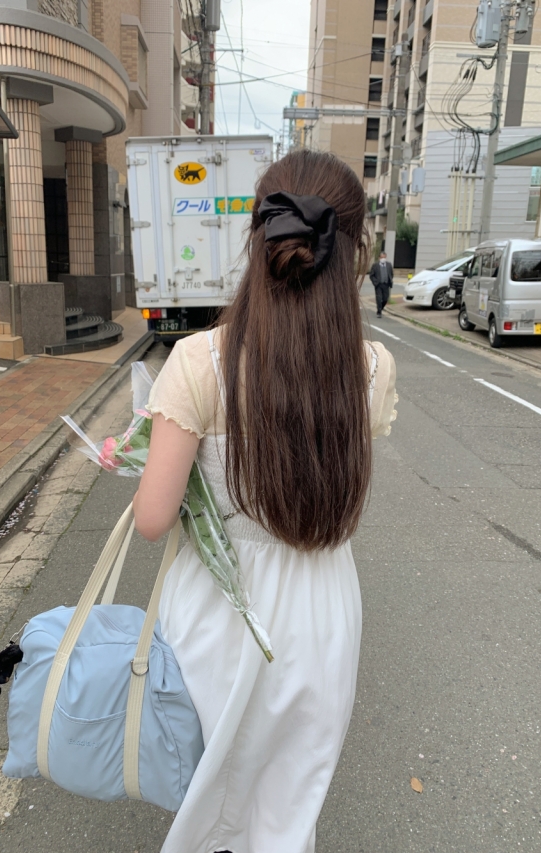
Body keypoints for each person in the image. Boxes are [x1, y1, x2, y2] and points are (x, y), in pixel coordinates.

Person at [133, 149, 397, 853]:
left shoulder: (198, 361)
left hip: (218, 610)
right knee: (287, 807)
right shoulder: (372, 368)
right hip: (323, 612)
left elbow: (153, 519)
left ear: (259, 240)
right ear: (352, 252)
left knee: (212, 795)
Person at [369, 250, 394, 316]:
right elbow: (371, 275)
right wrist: (375, 282)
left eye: (384, 257)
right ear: (379, 258)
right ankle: (379, 311)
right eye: (382, 257)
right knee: (379, 298)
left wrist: (390, 280)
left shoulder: (389, 265)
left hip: (386, 284)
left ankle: (380, 308)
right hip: (378, 285)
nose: (383, 259)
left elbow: (391, 274)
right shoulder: (375, 265)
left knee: (385, 299)